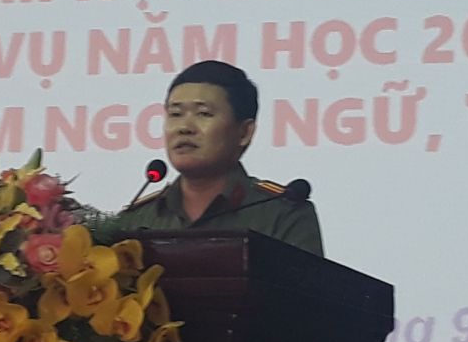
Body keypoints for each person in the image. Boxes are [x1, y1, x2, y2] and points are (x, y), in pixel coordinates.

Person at [110, 60, 323, 256]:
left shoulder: (283, 215)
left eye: (204, 114)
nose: (184, 127)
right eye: (175, 114)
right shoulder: (135, 219)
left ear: (244, 132)